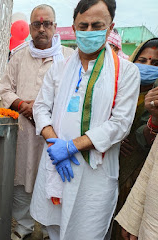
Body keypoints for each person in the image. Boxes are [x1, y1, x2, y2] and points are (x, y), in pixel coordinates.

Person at [29, 0, 140, 239]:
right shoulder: (59, 68)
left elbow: (120, 125)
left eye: (96, 25)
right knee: (55, 229)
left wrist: (71, 147)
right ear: (74, 27)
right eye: (83, 25)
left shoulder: (127, 72)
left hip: (94, 176)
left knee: (87, 231)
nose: (89, 31)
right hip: (57, 163)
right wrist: (55, 145)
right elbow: (40, 108)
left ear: (110, 27)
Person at [0, 4, 74, 240]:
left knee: (54, 181)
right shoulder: (19, 57)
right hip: (24, 134)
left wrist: (43, 110)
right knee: (22, 181)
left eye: (47, 24)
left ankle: (51, 232)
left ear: (54, 26)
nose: (42, 29)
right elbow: (4, 89)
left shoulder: (70, 58)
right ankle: (23, 229)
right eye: (37, 24)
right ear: (30, 27)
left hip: (55, 134)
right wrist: (23, 106)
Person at [111, 38, 158, 239]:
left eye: (155, 64)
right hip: (110, 163)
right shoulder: (120, 86)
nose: (147, 67)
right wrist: (114, 138)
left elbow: (145, 138)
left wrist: (154, 117)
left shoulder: (155, 95)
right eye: (143, 60)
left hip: (137, 171)